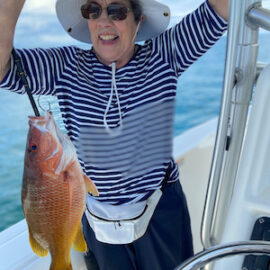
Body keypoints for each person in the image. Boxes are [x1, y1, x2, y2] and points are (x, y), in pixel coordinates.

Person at [0, 0, 229, 269]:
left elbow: (221, 9)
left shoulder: (165, 55)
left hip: (160, 208)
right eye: (93, 10)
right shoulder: (65, 67)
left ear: (139, 19)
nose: (104, 21)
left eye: (117, 11)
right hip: (96, 216)